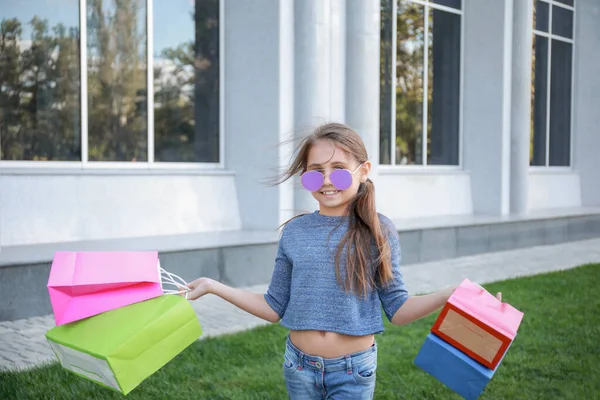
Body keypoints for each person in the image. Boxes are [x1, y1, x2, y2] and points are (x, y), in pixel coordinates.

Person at [183, 122, 501, 399]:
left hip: (354, 371)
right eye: (315, 172)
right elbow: (273, 306)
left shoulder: (379, 231)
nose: (326, 180)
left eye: (338, 169)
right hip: (299, 366)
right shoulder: (294, 232)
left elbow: (398, 310)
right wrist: (214, 286)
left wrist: (449, 293)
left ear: (363, 171)